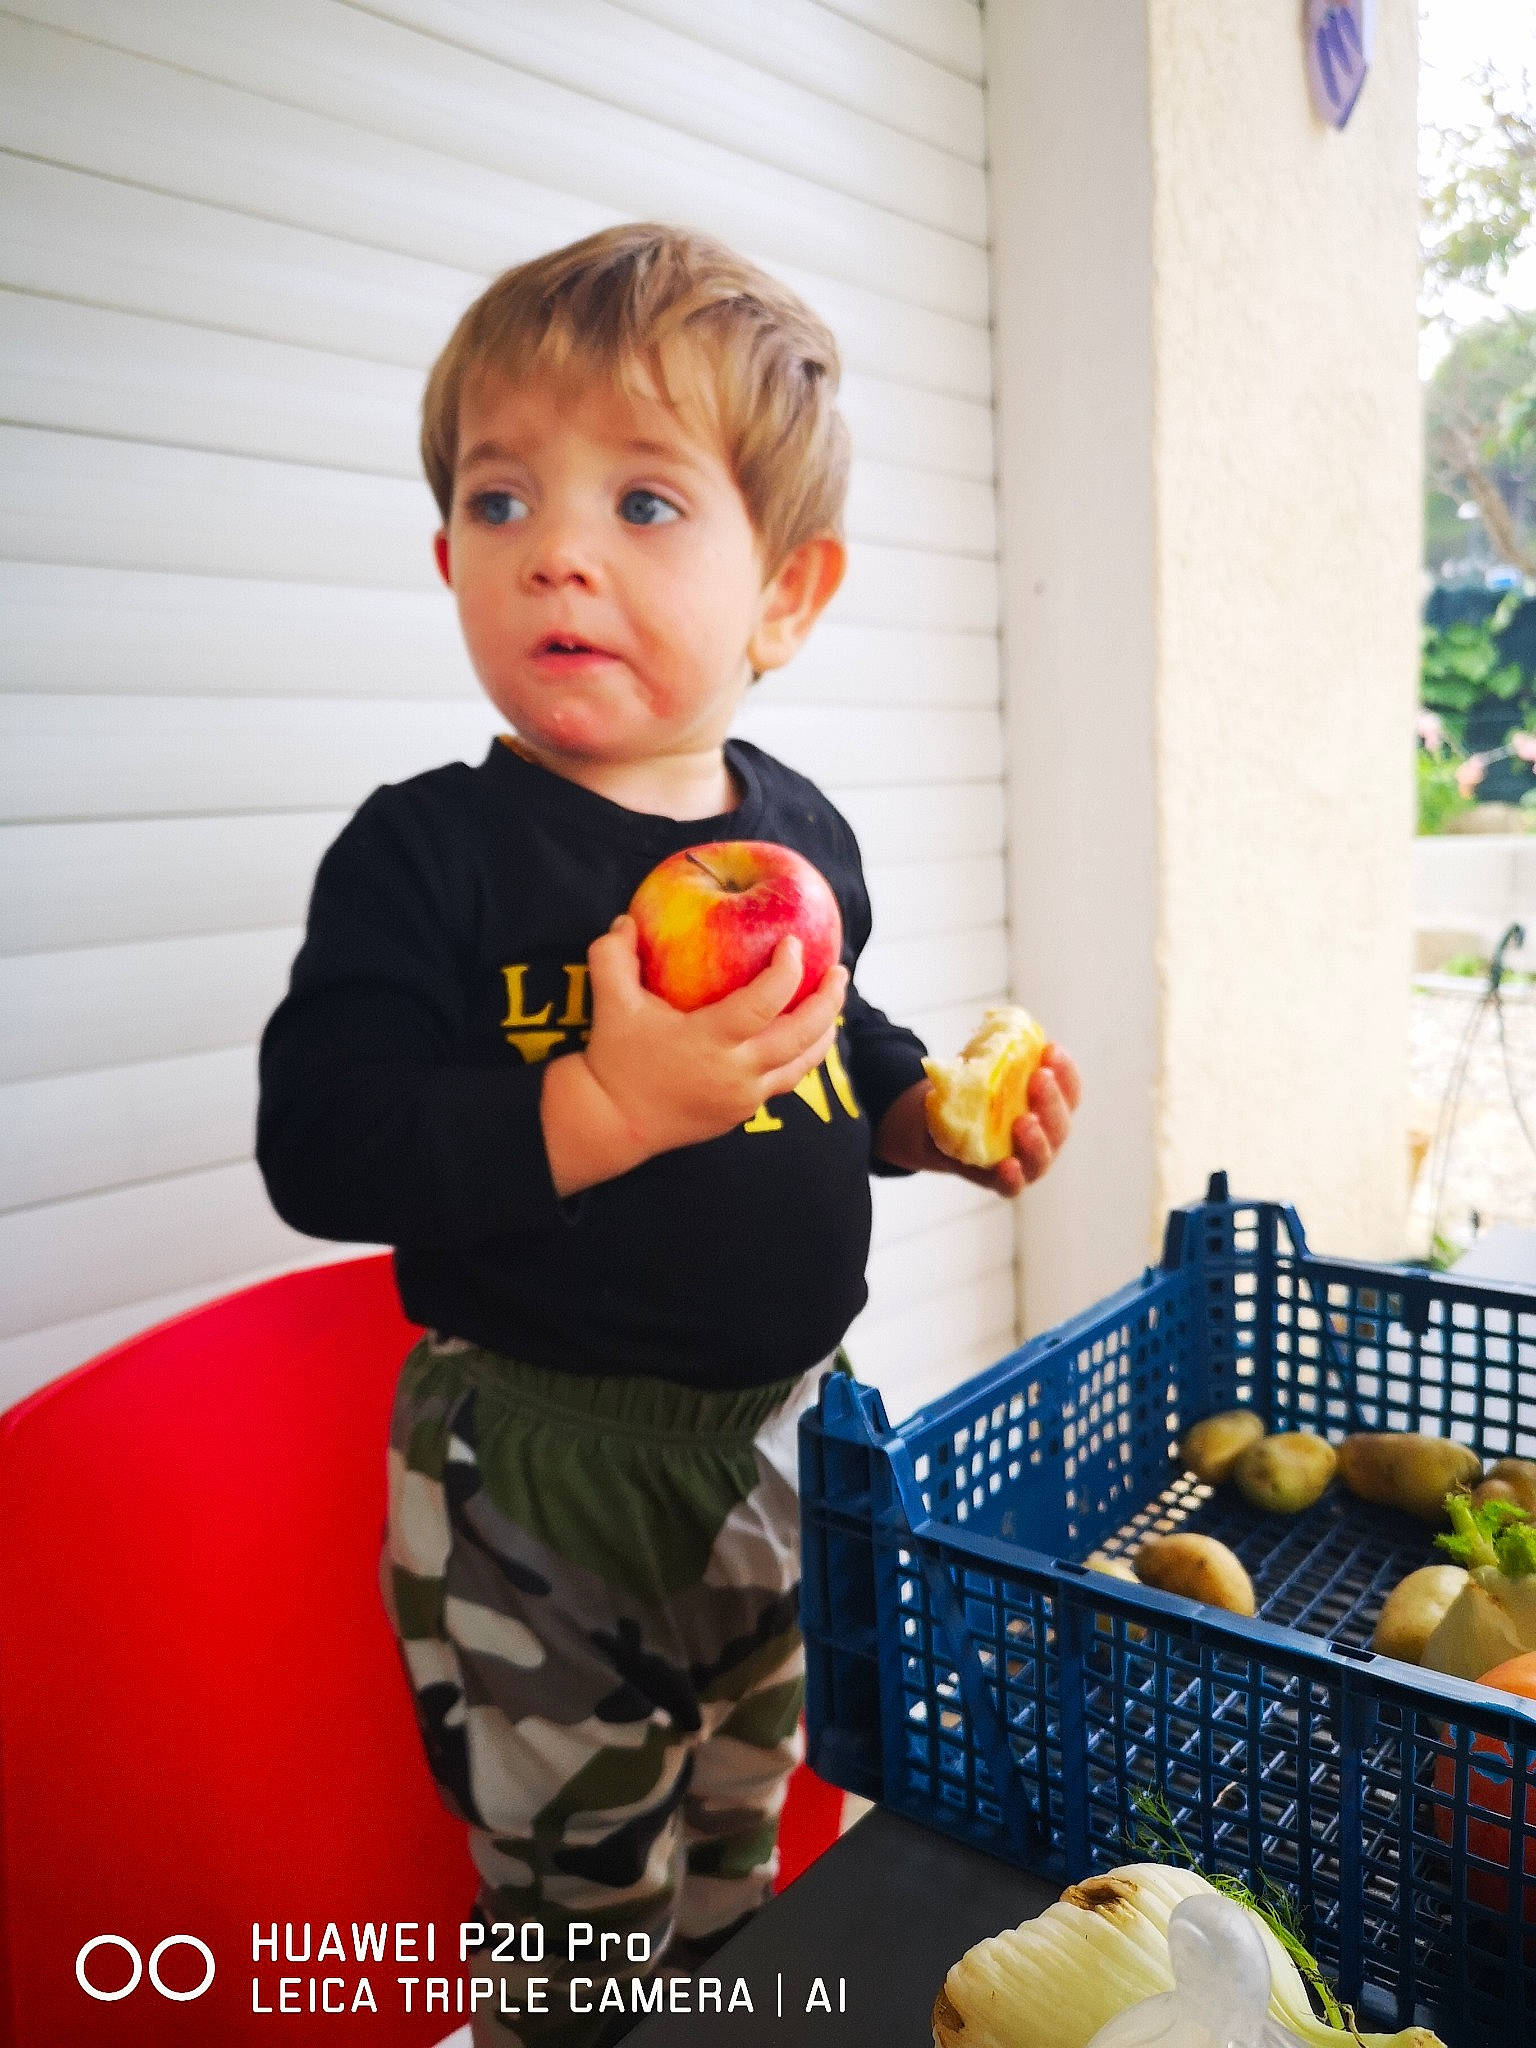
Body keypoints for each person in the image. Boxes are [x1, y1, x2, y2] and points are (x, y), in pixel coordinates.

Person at [256, 222, 1080, 2047]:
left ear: (786, 594)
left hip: (775, 1448)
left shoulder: (800, 841)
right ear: (449, 558)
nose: (555, 544)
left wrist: (925, 1116)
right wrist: (598, 1105)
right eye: (498, 499)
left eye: (642, 503)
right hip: (537, 1475)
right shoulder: (428, 858)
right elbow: (321, 1144)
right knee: (578, 1911)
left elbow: (826, 1041)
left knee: (739, 1838)